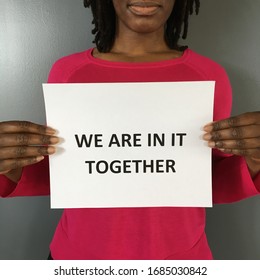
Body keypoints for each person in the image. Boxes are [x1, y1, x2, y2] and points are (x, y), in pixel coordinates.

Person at [0, 0, 260, 260]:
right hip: (79, 260)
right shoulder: (69, 73)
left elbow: (207, 181)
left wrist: (254, 161)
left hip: (179, 263)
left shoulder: (207, 75)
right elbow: (71, 175)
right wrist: (11, 166)